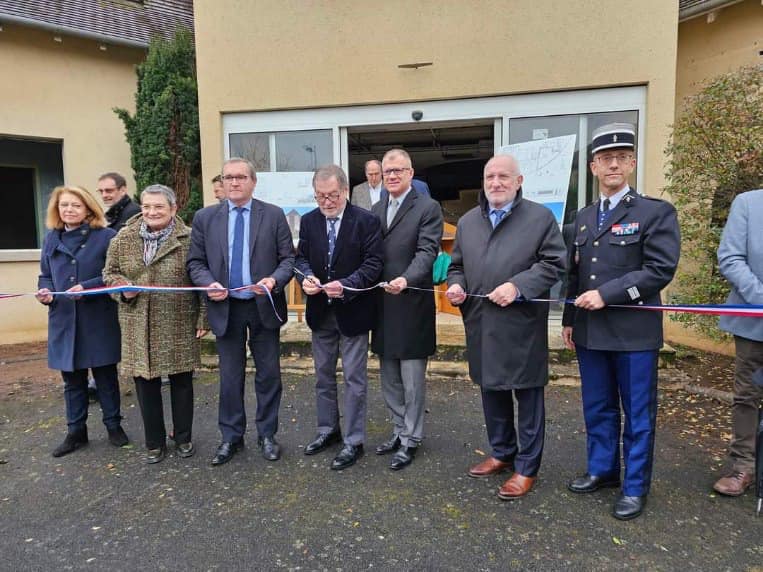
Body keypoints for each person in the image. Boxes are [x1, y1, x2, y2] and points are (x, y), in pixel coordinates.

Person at [562, 123, 681, 521]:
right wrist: (569, 319)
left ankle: (634, 486)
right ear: (593, 167)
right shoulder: (583, 217)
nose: (613, 164)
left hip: (634, 333)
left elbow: (659, 269)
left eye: (620, 158)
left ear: (631, 163)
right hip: (591, 332)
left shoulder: (655, 211)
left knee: (638, 414)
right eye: (604, 159)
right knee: (597, 407)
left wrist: (608, 294)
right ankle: (603, 469)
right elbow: (575, 275)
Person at [446, 154, 566, 500]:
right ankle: (501, 452)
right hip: (481, 322)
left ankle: (527, 467)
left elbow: (554, 263)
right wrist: (456, 285)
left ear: (519, 181)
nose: (496, 183)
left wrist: (517, 286)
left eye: (503, 177)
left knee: (527, 396)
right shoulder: (468, 222)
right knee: (491, 390)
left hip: (521, 325)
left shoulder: (540, 218)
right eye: (490, 177)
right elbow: (457, 265)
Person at [187, 157, 295, 466]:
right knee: (230, 377)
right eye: (228, 177)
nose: (234, 182)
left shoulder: (273, 215)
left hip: (263, 306)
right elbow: (195, 262)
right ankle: (231, 437)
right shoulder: (206, 218)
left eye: (241, 177)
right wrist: (209, 284)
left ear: (253, 181)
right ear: (222, 182)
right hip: (226, 308)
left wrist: (274, 280)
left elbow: (288, 259)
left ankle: (267, 434)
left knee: (269, 375)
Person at [104, 184, 208, 464]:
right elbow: (109, 274)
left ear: (173, 209)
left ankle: (183, 438)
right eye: (147, 206)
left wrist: (203, 316)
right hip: (137, 320)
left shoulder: (189, 238)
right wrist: (122, 289)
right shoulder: (123, 237)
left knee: (182, 382)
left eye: (159, 207)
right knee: (145, 383)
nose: (152, 212)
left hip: (177, 319)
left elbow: (201, 277)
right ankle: (154, 442)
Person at [295, 165, 383, 470]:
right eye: (320, 196)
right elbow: (300, 258)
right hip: (320, 313)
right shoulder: (308, 221)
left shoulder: (367, 221)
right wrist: (305, 277)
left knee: (355, 380)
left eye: (332, 195)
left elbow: (374, 264)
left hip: (353, 310)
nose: (326, 202)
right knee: (322, 376)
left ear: (345, 191)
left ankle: (354, 441)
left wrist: (346, 285)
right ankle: (327, 430)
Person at [36, 185, 128, 457]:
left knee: (105, 377)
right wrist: (45, 292)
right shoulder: (51, 239)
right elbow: (45, 274)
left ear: (88, 208)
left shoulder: (107, 236)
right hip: (63, 319)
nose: (69, 210)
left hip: (97, 317)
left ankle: (114, 426)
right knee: (72, 380)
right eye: (64, 205)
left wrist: (87, 286)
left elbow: (117, 274)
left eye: (75, 205)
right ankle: (76, 432)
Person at [371, 148, 443, 470]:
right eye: (388, 171)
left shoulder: (427, 207)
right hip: (383, 305)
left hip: (411, 302)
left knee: (412, 380)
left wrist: (405, 278)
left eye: (399, 170)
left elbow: (427, 252)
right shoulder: (375, 208)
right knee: (388, 376)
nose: (393, 176)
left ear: (411, 173)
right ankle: (399, 431)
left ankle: (411, 439)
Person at [712, 189, 763, 496]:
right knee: (747, 396)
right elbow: (730, 258)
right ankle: (743, 466)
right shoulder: (748, 203)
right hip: (753, 322)